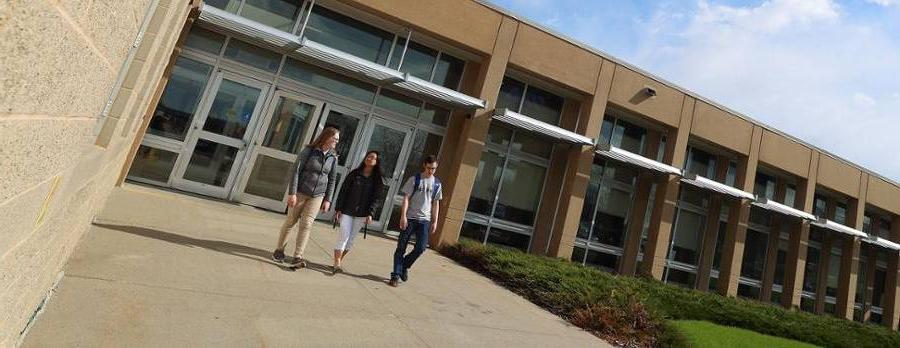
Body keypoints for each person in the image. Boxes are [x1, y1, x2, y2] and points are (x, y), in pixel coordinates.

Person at [272, 127, 339, 269]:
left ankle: (298, 256)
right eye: (335, 138)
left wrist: (328, 199)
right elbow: (296, 171)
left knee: (307, 224)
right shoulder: (309, 151)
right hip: (301, 191)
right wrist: (292, 193)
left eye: (338, 139)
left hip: (318, 195)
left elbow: (332, 179)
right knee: (291, 221)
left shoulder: (333, 157)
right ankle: (279, 250)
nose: (336, 141)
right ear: (326, 137)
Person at [390, 155, 442, 287]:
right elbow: (406, 198)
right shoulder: (415, 179)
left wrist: (435, 221)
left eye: (434, 169)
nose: (431, 171)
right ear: (424, 165)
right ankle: (395, 275)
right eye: (429, 168)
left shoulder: (437, 184)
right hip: (411, 218)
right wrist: (403, 216)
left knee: (421, 247)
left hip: (425, 220)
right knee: (401, 247)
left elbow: (436, 203)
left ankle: (404, 265)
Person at [332, 150, 384, 275]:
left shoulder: (377, 180)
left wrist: (371, 213)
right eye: (368, 156)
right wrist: (338, 208)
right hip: (347, 210)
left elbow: (376, 199)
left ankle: (337, 261)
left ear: (376, 162)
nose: (369, 158)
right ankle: (337, 263)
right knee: (344, 235)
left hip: (363, 214)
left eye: (373, 157)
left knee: (351, 240)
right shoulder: (354, 174)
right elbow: (343, 191)